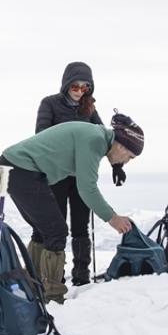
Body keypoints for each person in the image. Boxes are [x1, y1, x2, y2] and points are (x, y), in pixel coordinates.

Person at [0, 113, 144, 304]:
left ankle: (33, 287)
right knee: (56, 231)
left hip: (12, 166)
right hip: (20, 169)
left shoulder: (97, 137)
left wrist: (115, 166)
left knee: (44, 231)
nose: (127, 161)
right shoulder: (95, 141)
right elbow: (86, 188)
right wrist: (112, 218)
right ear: (121, 145)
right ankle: (52, 297)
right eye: (129, 156)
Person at [34, 62, 123, 286]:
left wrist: (116, 165)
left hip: (81, 176)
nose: (80, 91)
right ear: (66, 84)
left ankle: (81, 278)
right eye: (76, 86)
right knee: (56, 226)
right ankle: (53, 279)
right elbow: (41, 137)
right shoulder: (49, 104)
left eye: (86, 88)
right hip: (56, 176)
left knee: (81, 226)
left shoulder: (89, 109)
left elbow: (105, 139)